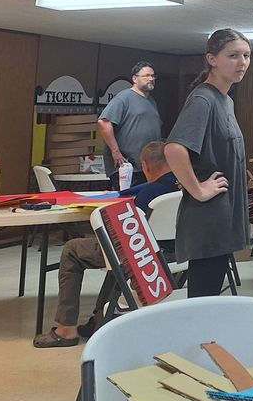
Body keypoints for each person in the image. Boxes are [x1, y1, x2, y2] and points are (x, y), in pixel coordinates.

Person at [33, 141, 178, 347]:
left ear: (145, 166)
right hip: (174, 256)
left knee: (73, 250)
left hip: (141, 258)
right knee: (117, 260)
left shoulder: (148, 194)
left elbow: (127, 234)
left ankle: (66, 330)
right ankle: (99, 318)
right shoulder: (184, 187)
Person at [164, 29, 251, 298]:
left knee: (210, 299)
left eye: (246, 56)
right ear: (212, 59)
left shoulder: (225, 101)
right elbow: (174, 149)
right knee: (203, 300)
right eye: (233, 56)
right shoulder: (203, 99)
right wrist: (199, 189)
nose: (242, 62)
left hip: (224, 217)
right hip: (207, 218)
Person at [97, 61, 161, 189]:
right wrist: (115, 152)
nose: (151, 79)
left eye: (153, 76)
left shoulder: (151, 101)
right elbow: (104, 122)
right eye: (146, 75)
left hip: (146, 167)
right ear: (135, 79)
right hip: (127, 166)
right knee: (128, 200)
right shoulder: (124, 97)